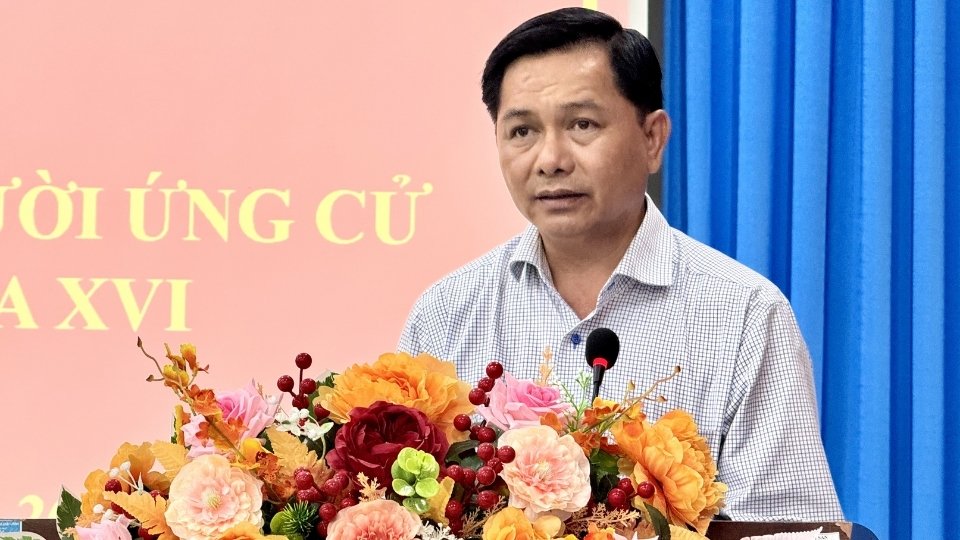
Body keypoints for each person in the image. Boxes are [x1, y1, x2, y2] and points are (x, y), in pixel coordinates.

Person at [398, 7, 843, 522]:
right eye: (522, 131)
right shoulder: (446, 312)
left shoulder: (744, 315)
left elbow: (789, 529)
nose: (550, 159)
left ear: (652, 138)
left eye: (582, 124)